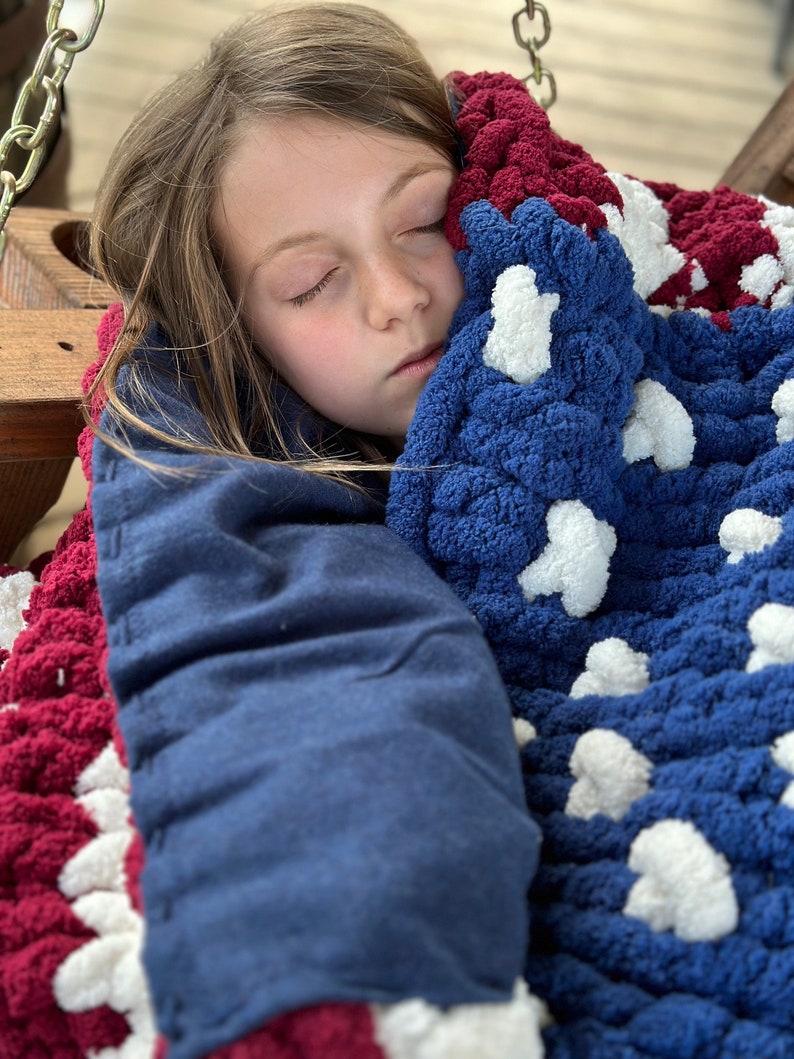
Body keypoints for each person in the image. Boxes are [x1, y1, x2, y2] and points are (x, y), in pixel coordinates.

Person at [86, 4, 542, 1057]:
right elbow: (318, 693)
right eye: (311, 281)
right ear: (243, 339)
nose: (398, 296)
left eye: (424, 219)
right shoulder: (239, 479)